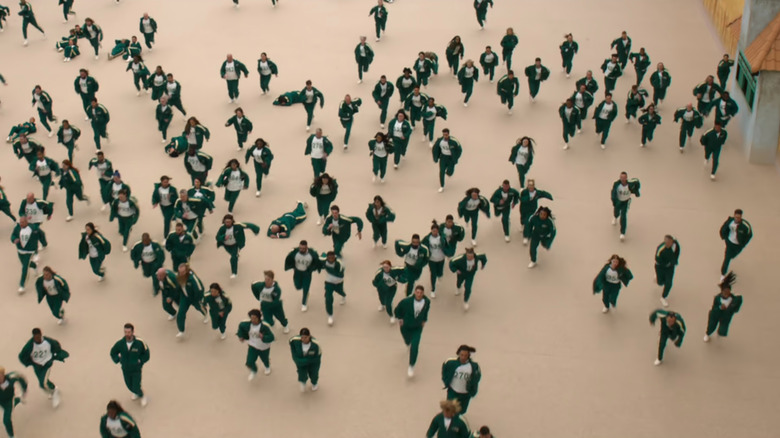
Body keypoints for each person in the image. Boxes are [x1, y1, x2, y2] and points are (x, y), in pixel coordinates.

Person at [18, 328, 68, 407]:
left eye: (38, 337)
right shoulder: (29, 346)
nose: (37, 339)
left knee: (42, 384)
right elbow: (21, 356)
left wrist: (56, 355)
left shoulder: (48, 341)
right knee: (44, 381)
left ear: (41, 335)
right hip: (37, 366)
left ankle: (55, 393)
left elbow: (56, 346)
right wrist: (29, 363)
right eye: (35, 337)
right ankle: (53, 388)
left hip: (47, 364)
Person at [109, 323, 150, 406]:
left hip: (136, 369)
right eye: (125, 332)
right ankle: (136, 392)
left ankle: (142, 395)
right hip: (125, 368)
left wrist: (140, 361)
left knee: (136, 385)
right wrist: (118, 359)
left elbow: (146, 354)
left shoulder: (139, 343)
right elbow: (113, 352)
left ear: (133, 332)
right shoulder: (120, 343)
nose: (127, 334)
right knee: (129, 385)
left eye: (129, 332)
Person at [394, 285, 431, 377]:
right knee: (407, 340)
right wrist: (400, 318)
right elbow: (398, 309)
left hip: (417, 327)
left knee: (415, 346)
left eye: (421, 293)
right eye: (417, 292)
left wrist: (424, 320)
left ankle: (411, 365)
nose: (419, 294)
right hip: (406, 325)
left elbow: (426, 311)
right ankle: (407, 343)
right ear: (414, 292)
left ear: (423, 293)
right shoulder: (406, 301)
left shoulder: (427, 302)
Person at [237, 309, 275, 380]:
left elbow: (272, 337)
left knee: (265, 359)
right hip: (252, 346)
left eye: (255, 318)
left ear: (259, 318)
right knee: (249, 362)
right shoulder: (246, 324)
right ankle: (254, 371)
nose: (253, 320)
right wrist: (241, 336)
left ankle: (267, 366)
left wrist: (263, 337)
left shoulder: (265, 326)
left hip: (264, 347)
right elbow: (240, 327)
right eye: (251, 318)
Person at [441, 345, 481, 414]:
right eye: (461, 355)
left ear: (468, 356)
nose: (463, 357)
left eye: (465, 355)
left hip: (465, 394)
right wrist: (446, 381)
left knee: (462, 411)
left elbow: (476, 378)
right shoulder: (451, 363)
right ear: (458, 354)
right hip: (453, 391)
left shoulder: (473, 366)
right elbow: (444, 370)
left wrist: (472, 389)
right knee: (450, 409)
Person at [284, 240, 322, 311]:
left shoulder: (312, 254)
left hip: (307, 273)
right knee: (297, 286)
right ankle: (304, 291)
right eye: (300, 248)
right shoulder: (295, 252)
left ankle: (304, 303)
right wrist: (291, 267)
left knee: (306, 288)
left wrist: (312, 269)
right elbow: (290, 258)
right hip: (297, 272)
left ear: (307, 247)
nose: (301, 250)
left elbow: (316, 262)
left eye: (303, 248)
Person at [704, 272, 743, 342]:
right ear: (722, 292)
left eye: (728, 292)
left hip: (726, 316)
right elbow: (713, 308)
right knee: (711, 326)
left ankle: (719, 333)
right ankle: (707, 334)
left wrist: (735, 303)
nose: (726, 294)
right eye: (724, 292)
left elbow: (736, 308)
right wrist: (719, 307)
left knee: (723, 329)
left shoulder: (733, 299)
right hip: (716, 314)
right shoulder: (717, 298)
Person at [173, 264, 208, 338]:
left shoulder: (193, 278)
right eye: (180, 272)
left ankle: (205, 314)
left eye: (183, 272)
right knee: (181, 313)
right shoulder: (178, 277)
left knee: (199, 308)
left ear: (187, 271)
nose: (181, 274)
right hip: (185, 297)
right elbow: (178, 286)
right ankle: (181, 330)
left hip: (194, 298)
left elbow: (200, 289)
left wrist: (198, 299)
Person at [11, 217, 42, 293]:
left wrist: (42, 244)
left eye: (22, 222)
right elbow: (13, 236)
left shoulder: (34, 228)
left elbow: (41, 235)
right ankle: (34, 266)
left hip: (29, 252)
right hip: (20, 251)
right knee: (25, 264)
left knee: (25, 268)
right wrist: (14, 239)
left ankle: (22, 285)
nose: (21, 224)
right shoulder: (17, 228)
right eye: (20, 222)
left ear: (27, 222)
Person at [719, 209, 752, 278]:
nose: (737, 219)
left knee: (732, 256)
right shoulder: (730, 221)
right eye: (736, 217)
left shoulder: (744, 227)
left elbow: (749, 236)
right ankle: (723, 273)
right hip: (730, 243)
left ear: (741, 217)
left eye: (738, 217)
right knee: (727, 258)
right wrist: (724, 237)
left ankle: (731, 255)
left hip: (738, 246)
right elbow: (724, 227)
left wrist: (743, 244)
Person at [318, 251, 346, 326]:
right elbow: (317, 259)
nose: (330, 259)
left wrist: (327, 268)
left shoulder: (339, 263)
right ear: (327, 257)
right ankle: (330, 316)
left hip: (338, 283)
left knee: (341, 292)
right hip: (329, 283)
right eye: (329, 258)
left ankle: (343, 296)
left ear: (335, 257)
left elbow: (340, 274)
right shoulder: (324, 260)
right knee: (328, 298)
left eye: (332, 258)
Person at [610, 172, 640, 241]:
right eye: (621, 177)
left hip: (626, 202)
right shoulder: (616, 184)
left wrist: (637, 191)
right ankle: (615, 217)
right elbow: (613, 192)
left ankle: (622, 233)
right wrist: (614, 201)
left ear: (626, 178)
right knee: (616, 212)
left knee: (623, 216)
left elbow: (637, 181)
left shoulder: (630, 183)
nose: (623, 179)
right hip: (618, 201)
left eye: (624, 178)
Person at [290, 328, 322, 392]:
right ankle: (303, 382)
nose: (303, 339)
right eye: (302, 337)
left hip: (313, 363)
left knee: (314, 374)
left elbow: (317, 357)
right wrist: (298, 361)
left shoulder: (315, 345)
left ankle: (314, 383)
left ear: (309, 336)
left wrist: (307, 361)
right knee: (302, 373)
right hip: (301, 362)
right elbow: (293, 350)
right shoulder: (295, 341)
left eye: (305, 337)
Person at [0, 366, 28, 438]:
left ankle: (12, 436)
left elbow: (21, 378)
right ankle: (18, 400)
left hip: (9, 400)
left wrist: (24, 389)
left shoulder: (11, 377)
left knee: (6, 420)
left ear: (3, 374)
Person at [422, 221, 447, 296]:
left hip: (441, 258)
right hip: (432, 259)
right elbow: (422, 246)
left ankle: (440, 275)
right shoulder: (427, 238)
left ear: (438, 231)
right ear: (431, 230)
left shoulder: (442, 238)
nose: (434, 232)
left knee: (440, 273)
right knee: (433, 274)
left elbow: (447, 245)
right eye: (433, 230)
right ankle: (433, 289)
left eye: (436, 231)